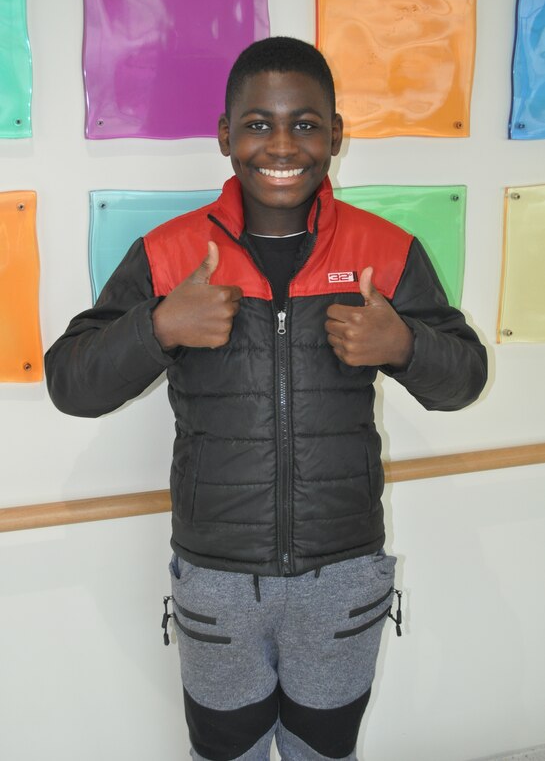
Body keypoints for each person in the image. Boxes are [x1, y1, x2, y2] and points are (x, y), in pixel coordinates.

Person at [45, 37, 487, 761]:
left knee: (323, 752)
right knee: (226, 753)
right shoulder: (169, 253)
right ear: (225, 135)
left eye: (305, 123)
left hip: (343, 573)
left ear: (335, 135)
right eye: (257, 124)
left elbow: (463, 379)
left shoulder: (386, 250)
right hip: (217, 579)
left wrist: (403, 343)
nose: (281, 144)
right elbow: (71, 384)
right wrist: (160, 326)